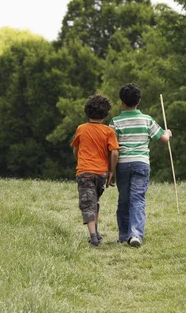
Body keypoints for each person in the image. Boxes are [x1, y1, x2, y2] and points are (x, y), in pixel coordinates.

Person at [108, 83, 172, 247]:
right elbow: (163, 139)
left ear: (122, 102)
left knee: (123, 200)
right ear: (139, 101)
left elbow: (111, 148)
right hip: (141, 163)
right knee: (137, 199)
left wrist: (111, 171)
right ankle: (135, 234)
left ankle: (123, 235)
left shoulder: (115, 122)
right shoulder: (147, 119)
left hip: (122, 164)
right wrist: (168, 133)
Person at [71, 94, 119, 246]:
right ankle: (96, 232)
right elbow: (115, 152)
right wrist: (111, 171)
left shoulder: (81, 129)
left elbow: (75, 149)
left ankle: (93, 237)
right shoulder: (108, 131)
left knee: (87, 203)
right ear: (106, 114)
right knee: (95, 201)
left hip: (85, 172)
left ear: (87, 111)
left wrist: (80, 161)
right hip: (101, 173)